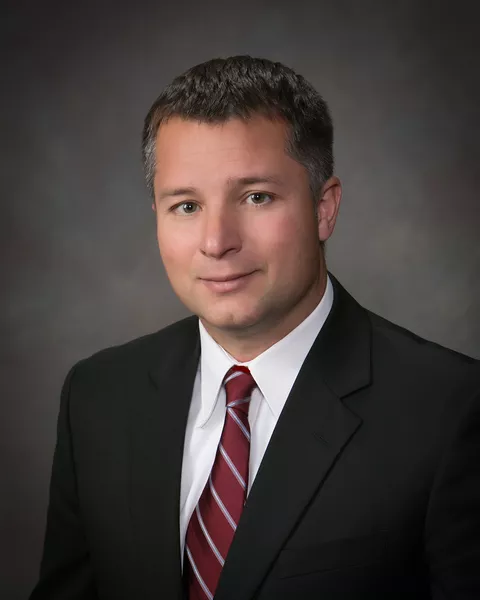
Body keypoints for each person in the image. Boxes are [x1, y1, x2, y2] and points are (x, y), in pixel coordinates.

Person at [30, 55, 480, 600]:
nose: (217, 241)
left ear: (324, 208)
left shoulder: (451, 410)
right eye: (186, 205)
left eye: (256, 197)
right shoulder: (97, 396)